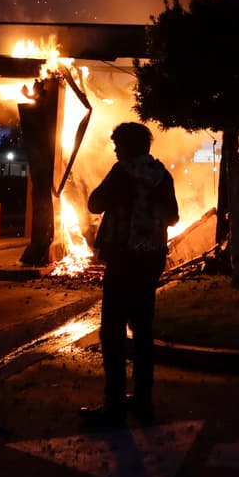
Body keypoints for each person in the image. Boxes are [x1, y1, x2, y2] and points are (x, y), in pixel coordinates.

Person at [79, 121, 179, 428]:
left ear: (126, 147)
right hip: (151, 259)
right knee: (143, 330)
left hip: (123, 259)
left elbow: (95, 203)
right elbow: (174, 217)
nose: (115, 150)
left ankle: (115, 405)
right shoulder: (162, 176)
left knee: (112, 332)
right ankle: (143, 400)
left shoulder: (121, 173)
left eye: (117, 145)